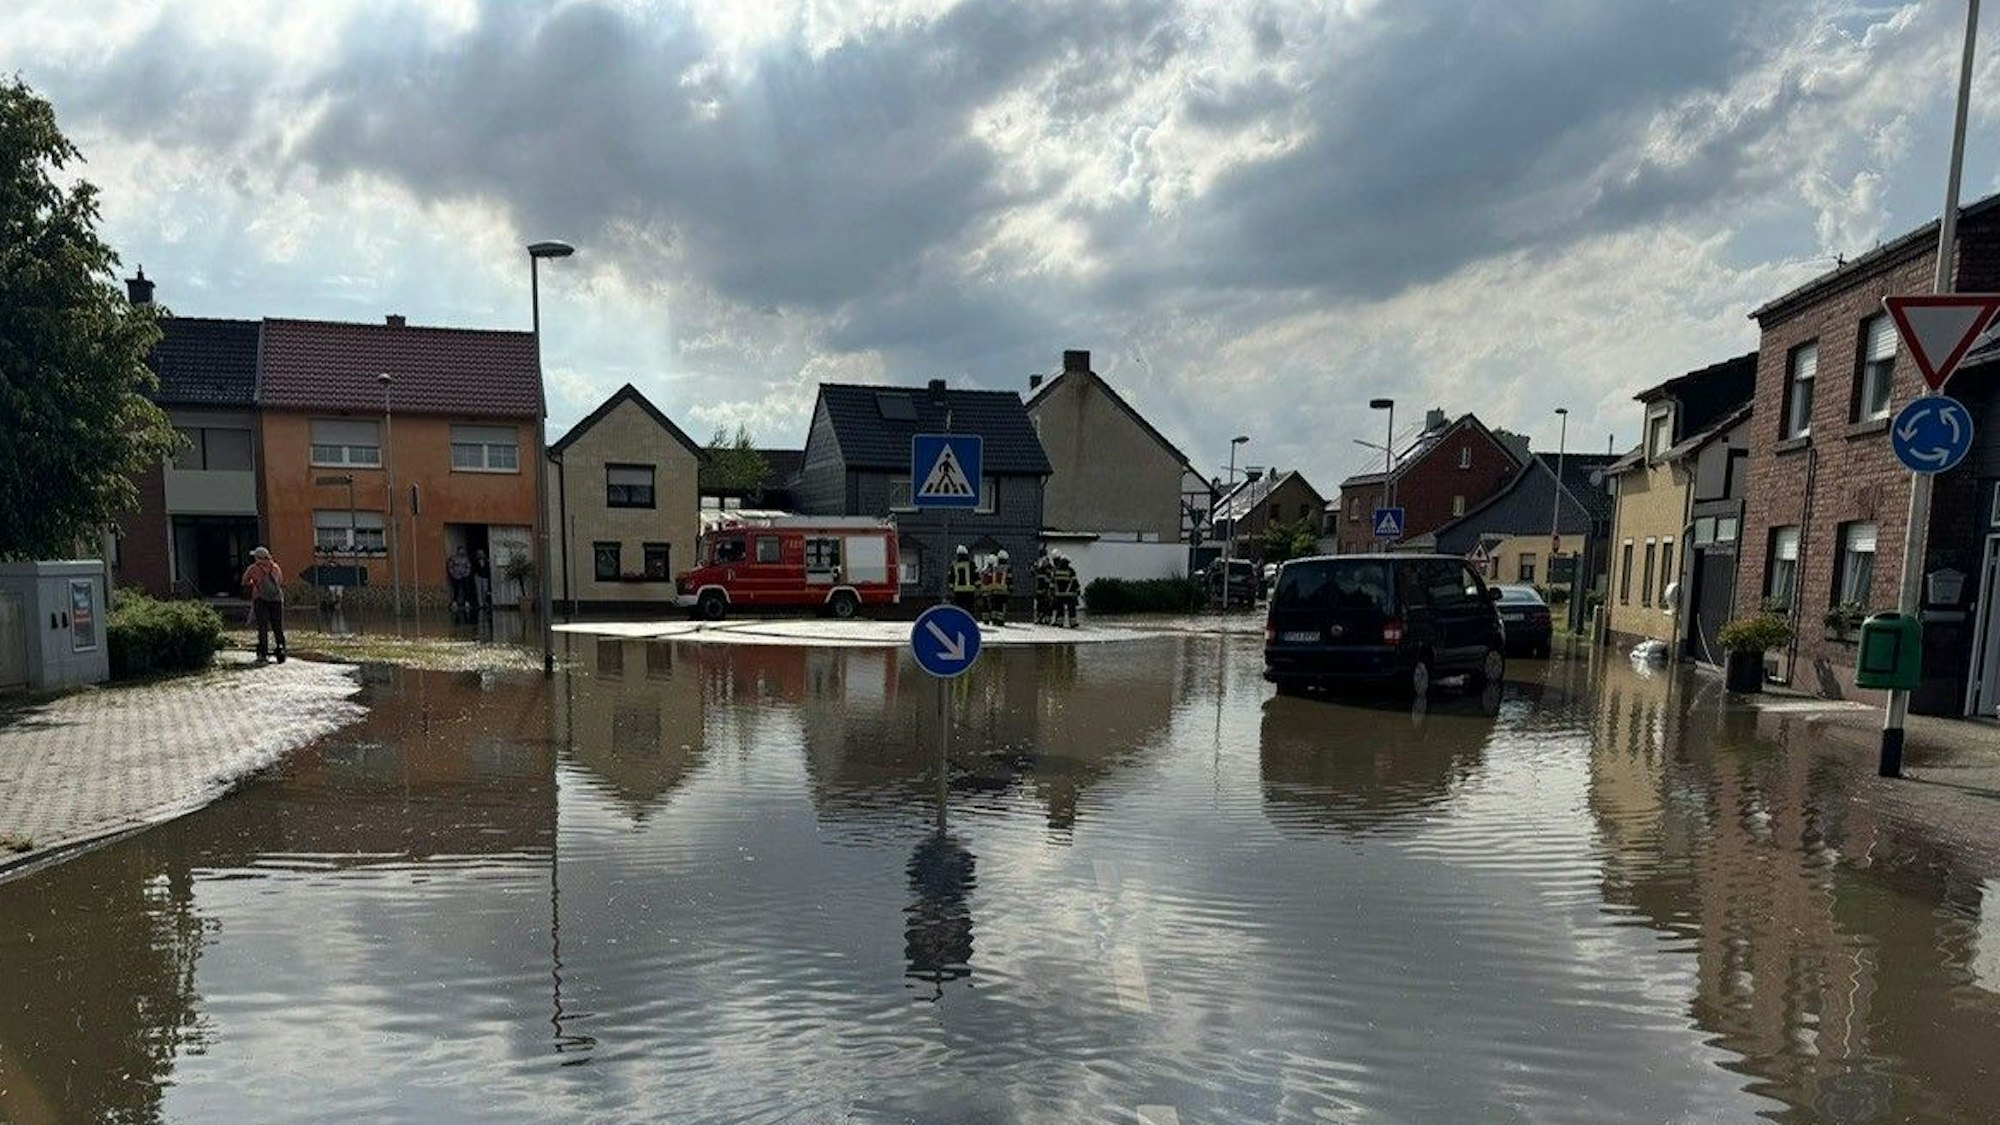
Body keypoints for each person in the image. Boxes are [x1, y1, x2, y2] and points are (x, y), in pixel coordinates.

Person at [241, 546, 287, 663]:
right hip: (276, 599)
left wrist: (254, 583)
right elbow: (280, 581)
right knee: (278, 626)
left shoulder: (253, 569)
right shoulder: (275, 567)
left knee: (262, 626)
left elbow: (244, 581)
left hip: (260, 599)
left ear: (257, 557)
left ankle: (263, 651)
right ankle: (281, 648)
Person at [1050, 551, 1081, 629]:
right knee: (1071, 609)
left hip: (1059, 594)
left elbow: (1052, 583)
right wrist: (1078, 590)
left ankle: (1059, 623)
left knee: (1060, 609)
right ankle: (1073, 623)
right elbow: (1074, 582)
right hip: (1069, 594)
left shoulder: (1055, 570)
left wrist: (1052, 592)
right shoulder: (1071, 571)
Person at [985, 549, 1011, 626]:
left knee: (994, 606)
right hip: (1003, 590)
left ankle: (994, 620)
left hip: (994, 590)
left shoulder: (994, 568)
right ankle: (1000, 621)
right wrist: (1010, 588)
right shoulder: (1007, 568)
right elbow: (1009, 578)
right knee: (1001, 606)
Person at [950, 545, 977, 612]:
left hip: (958, 591)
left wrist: (951, 588)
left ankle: (960, 621)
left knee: (959, 609)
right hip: (969, 591)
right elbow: (976, 576)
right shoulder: (971, 564)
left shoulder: (954, 564)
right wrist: (977, 586)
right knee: (969, 609)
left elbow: (951, 578)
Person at [447, 546, 473, 611]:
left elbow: (469, 566)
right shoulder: (454, 558)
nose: (462, 552)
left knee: (466, 588)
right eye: (460, 550)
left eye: (463, 550)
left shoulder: (466, 558)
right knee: (456, 589)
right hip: (456, 576)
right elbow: (450, 566)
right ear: (458, 551)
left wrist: (467, 573)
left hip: (464, 576)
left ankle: (467, 602)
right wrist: (452, 573)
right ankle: (455, 602)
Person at [1033, 547, 1053, 626]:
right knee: (1043, 603)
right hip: (1042, 587)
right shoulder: (1040, 562)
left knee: (1043, 604)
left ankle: (1042, 618)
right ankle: (1042, 618)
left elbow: (1033, 572)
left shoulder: (1042, 562)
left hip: (1043, 587)